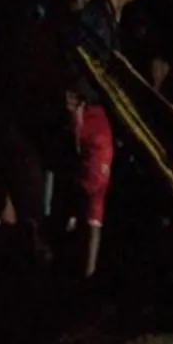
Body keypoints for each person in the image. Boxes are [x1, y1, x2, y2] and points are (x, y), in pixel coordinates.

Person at [62, 70, 115, 277]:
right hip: (101, 169)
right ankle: (89, 272)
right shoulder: (98, 116)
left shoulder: (87, 118)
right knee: (94, 220)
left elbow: (78, 144)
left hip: (93, 171)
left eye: (70, 97)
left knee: (83, 213)